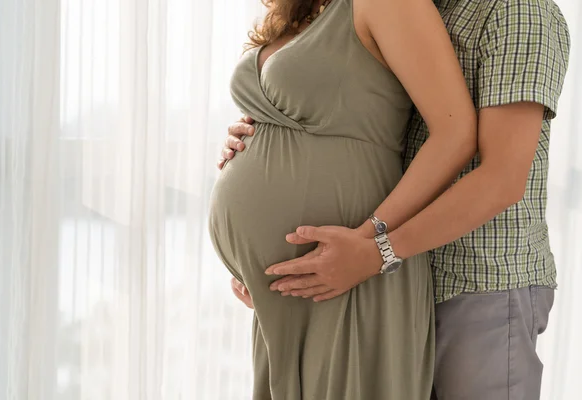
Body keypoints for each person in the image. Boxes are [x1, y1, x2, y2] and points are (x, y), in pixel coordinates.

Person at [223, 0, 571, 398]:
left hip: (477, 280)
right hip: (389, 277)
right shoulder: (404, 7)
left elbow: (501, 178)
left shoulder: (518, 11)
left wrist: (377, 251)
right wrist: (269, 127)